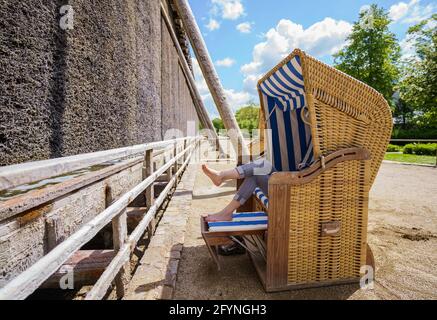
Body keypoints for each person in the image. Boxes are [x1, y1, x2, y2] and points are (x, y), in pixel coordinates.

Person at [202, 159, 276, 222]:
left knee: (258, 171)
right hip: (280, 178)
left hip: (285, 189)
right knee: (263, 164)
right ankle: (221, 176)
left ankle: (221, 176)